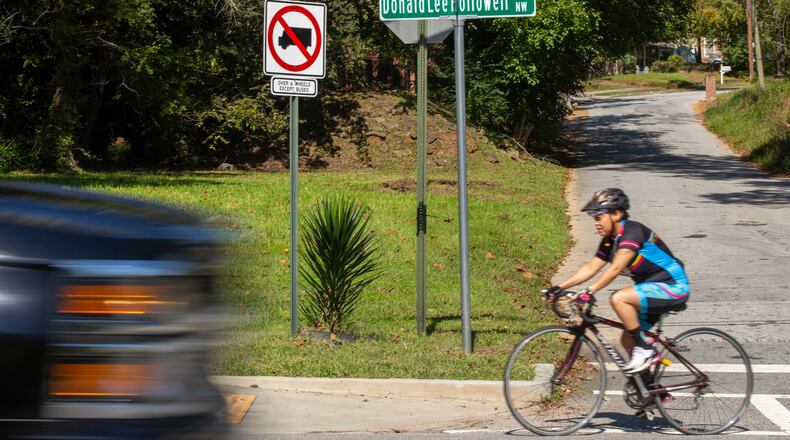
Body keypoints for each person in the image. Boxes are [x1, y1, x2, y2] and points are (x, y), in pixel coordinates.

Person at [543, 188, 690, 374]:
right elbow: (590, 268)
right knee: (627, 341)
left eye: (599, 217)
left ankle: (645, 350)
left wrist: (589, 291)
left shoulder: (632, 233)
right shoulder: (609, 241)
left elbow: (615, 269)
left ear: (616, 214)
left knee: (619, 298)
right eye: (594, 219)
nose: (596, 223)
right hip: (649, 290)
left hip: (673, 286)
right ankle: (650, 392)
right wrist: (558, 287)